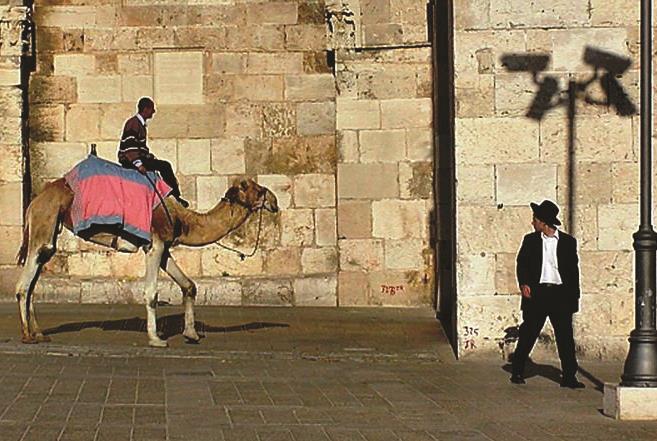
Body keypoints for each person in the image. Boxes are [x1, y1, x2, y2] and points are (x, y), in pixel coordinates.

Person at [511, 200, 585, 389]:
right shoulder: (531, 241)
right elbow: (522, 263)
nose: (533, 223)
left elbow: (573, 271)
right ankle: (518, 370)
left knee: (565, 337)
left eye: (535, 219)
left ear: (544, 222)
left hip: (560, 294)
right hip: (538, 293)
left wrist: (574, 297)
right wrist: (524, 283)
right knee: (529, 332)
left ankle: (569, 376)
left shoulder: (568, 242)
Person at [118, 97, 189, 207]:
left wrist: (148, 156)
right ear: (145, 109)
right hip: (129, 160)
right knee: (165, 166)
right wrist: (138, 164)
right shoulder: (133, 123)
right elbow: (129, 146)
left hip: (138, 157)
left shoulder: (139, 124)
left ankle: (171, 193)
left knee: (160, 164)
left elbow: (140, 147)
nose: (154, 111)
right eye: (152, 109)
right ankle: (175, 196)